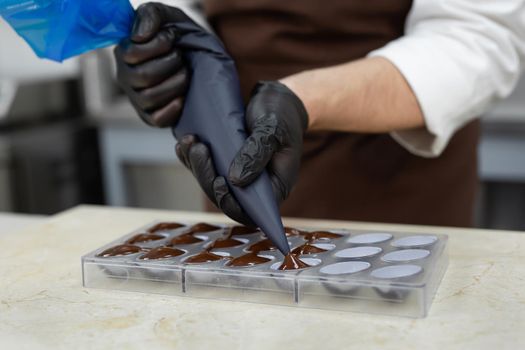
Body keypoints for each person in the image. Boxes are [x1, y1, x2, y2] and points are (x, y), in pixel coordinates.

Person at [114, 0, 525, 227]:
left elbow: (478, 36)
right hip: (238, 154)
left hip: (399, 180)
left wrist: (302, 100)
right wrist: (167, 51)